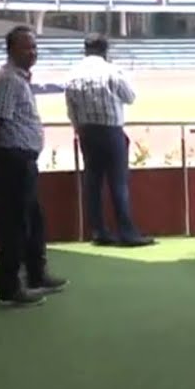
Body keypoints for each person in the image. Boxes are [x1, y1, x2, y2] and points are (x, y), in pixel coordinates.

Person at [0, 25, 67, 307]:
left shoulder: (18, 79)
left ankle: (35, 275)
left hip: (21, 159)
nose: (32, 53)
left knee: (32, 220)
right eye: (25, 47)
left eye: (34, 47)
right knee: (15, 224)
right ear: (11, 50)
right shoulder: (8, 80)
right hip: (11, 160)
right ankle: (9, 286)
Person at [63, 33, 153, 247]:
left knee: (92, 182)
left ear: (85, 50)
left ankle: (99, 231)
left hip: (86, 131)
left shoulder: (72, 74)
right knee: (118, 182)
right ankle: (127, 232)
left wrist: (79, 129)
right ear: (105, 50)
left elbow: (71, 109)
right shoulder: (113, 71)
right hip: (111, 129)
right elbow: (130, 97)